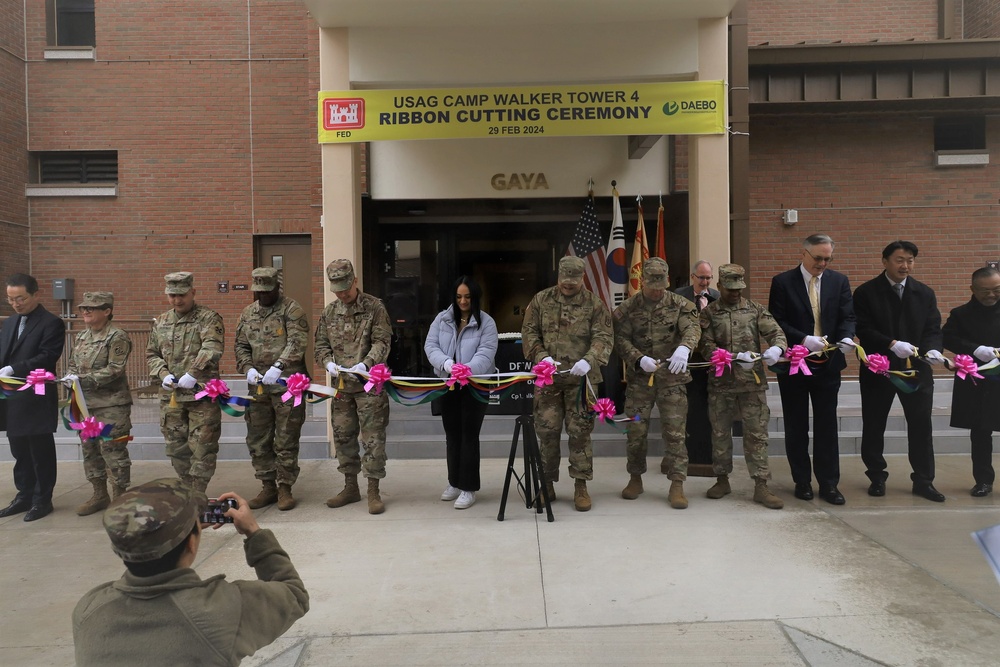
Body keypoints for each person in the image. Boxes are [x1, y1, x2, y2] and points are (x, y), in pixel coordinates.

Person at [72, 478, 309, 666]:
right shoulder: (221, 609)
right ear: (192, 544)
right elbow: (294, 594)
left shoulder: (88, 609)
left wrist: (186, 530)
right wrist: (253, 532)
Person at [854, 241, 946, 502]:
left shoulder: (924, 293)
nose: (905, 265)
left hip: (916, 370)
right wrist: (891, 343)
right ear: (884, 261)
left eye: (910, 260)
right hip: (878, 369)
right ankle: (876, 476)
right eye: (899, 260)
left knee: (920, 425)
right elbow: (863, 328)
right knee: (874, 424)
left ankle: (924, 480)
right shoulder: (866, 292)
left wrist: (932, 349)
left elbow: (932, 327)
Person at [768, 234, 856, 505]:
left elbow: (847, 316)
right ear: (804, 254)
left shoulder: (838, 281)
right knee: (796, 424)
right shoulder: (783, 282)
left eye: (827, 258)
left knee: (827, 425)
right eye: (818, 258)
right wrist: (803, 338)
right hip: (795, 363)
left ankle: (829, 483)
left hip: (828, 365)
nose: (822, 263)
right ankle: (802, 481)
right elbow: (777, 320)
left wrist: (846, 337)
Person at [521, 255, 614, 512]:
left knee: (580, 433)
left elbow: (604, 337)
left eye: (573, 283)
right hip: (548, 379)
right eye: (565, 282)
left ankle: (581, 486)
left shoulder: (595, 305)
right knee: (547, 433)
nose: (568, 286)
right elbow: (528, 332)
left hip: (581, 382)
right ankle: (546, 483)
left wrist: (589, 359)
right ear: (559, 276)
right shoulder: (542, 300)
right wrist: (542, 356)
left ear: (582, 278)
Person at [614, 258, 700, 509]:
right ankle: (635, 478)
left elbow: (692, 329)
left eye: (660, 285)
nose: (656, 290)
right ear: (642, 282)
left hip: (672, 380)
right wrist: (637, 358)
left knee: (674, 433)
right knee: (636, 432)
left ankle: (677, 484)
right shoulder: (629, 308)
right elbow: (620, 339)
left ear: (668, 281)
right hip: (641, 381)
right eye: (651, 285)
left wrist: (685, 348)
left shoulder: (681, 305)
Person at [698, 263, 786, 510]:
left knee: (756, 435)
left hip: (752, 385)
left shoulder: (755, 310)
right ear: (719, 286)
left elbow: (776, 333)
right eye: (730, 288)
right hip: (721, 384)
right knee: (720, 434)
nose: (735, 293)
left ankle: (761, 485)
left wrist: (776, 349)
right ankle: (722, 479)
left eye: (739, 288)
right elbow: (705, 346)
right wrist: (734, 357)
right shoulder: (709, 314)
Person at [315, 259, 392, 515]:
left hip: (368, 386)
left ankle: (373, 490)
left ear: (355, 281)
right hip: (341, 388)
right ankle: (350, 487)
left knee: (373, 439)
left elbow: (382, 341)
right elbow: (320, 345)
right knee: (343, 437)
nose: (342, 293)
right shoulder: (329, 312)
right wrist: (326, 362)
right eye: (337, 289)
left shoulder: (374, 307)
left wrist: (367, 363)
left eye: (346, 287)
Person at [235, 268, 310, 511]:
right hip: (258, 387)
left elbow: (297, 340)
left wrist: (280, 365)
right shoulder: (248, 313)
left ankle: (285, 487)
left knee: (286, 436)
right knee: (258, 437)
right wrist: (247, 367)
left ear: (277, 288)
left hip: (287, 385)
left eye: (267, 292)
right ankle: (268, 485)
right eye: (258, 292)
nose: (263, 296)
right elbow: (241, 346)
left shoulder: (291, 309)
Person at [424, 276, 499, 509]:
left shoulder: (486, 322)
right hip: (448, 384)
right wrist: (446, 364)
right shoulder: (442, 319)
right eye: (459, 297)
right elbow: (430, 346)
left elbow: (486, 352)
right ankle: (454, 482)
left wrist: (467, 370)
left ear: (475, 297)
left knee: (469, 435)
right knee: (452, 434)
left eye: (467, 296)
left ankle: (468, 488)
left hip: (474, 386)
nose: (463, 301)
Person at [146, 272, 225, 493]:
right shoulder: (161, 321)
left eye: (181, 295)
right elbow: (152, 353)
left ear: (193, 292)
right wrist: (162, 374)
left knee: (202, 447)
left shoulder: (208, 318)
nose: (177, 300)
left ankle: (198, 493)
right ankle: (189, 490)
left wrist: (193, 373)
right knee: (175, 447)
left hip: (201, 396)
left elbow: (212, 347)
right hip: (171, 397)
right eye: (172, 295)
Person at [0, 273, 65, 522]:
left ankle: (42, 499)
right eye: (11, 299)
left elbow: (47, 356)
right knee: (19, 449)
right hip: (11, 396)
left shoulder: (51, 323)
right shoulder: (9, 323)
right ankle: (24, 494)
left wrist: (15, 369)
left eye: (21, 298)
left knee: (40, 450)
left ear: (35, 294)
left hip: (35, 394)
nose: (16, 304)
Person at [66, 291, 134, 516]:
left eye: (91, 308)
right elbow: (73, 364)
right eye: (83, 308)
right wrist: (70, 377)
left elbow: (115, 369)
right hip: (86, 405)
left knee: (113, 450)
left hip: (111, 404)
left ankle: (120, 498)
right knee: (90, 450)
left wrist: (84, 379)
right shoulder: (82, 336)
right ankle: (99, 494)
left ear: (106, 311)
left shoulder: (117, 336)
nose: (85, 312)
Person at [942, 266, 1000, 497]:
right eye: (985, 291)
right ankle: (983, 480)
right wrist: (976, 349)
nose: (991, 295)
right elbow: (947, 337)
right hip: (978, 381)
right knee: (980, 432)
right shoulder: (961, 314)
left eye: (997, 290)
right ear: (972, 290)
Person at [675, 260, 720, 471]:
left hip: (710, 361)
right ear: (692, 277)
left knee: (706, 407)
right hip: (686, 360)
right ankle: (683, 455)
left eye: (708, 278)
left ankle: (705, 456)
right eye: (701, 278)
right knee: (688, 408)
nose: (705, 282)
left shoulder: (717, 297)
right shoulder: (678, 295)